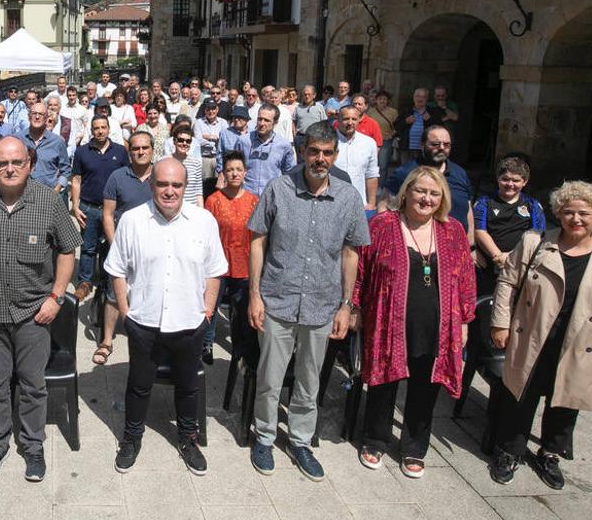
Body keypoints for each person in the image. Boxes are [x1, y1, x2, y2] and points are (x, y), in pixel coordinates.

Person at [489, 181, 592, 489]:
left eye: (584, 213)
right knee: (521, 394)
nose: (576, 219)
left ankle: (551, 453)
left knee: (567, 399)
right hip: (534, 334)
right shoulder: (535, 242)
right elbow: (508, 282)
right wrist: (500, 323)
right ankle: (510, 451)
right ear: (558, 214)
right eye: (568, 212)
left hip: (582, 342)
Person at [0, 137, 81, 482]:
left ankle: (33, 447)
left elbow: (68, 249)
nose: (9, 168)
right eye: (2, 163)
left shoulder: (49, 203)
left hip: (33, 314)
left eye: (17, 162)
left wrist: (56, 297)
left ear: (30, 165)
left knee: (33, 384)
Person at [247, 121, 370, 481]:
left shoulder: (348, 198)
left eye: (327, 153)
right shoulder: (279, 189)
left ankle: (300, 440)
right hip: (278, 300)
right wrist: (255, 295)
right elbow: (257, 242)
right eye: (314, 151)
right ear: (303, 152)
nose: (320, 159)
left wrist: (346, 306)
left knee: (310, 380)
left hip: (322, 303)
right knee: (270, 377)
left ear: (335, 155)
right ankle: (265, 437)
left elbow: (351, 254)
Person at [353, 166, 476, 478]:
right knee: (384, 381)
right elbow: (361, 268)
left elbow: (465, 279)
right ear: (406, 192)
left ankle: (414, 447)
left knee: (425, 387)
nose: (426, 198)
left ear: (443, 199)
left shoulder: (453, 231)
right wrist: (353, 306)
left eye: (434, 193)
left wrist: (463, 322)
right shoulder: (382, 224)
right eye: (420, 191)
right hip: (388, 320)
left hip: (436, 325)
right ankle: (376, 439)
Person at [105, 157, 226, 474]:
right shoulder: (132, 220)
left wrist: (207, 312)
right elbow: (116, 270)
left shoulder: (204, 221)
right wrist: (127, 312)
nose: (169, 191)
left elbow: (215, 271)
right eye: (162, 184)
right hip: (144, 322)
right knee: (139, 385)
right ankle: (131, 438)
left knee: (188, 386)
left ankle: (188, 439)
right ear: (151, 184)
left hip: (190, 322)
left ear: (186, 187)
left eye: (177, 185)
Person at [97, 131, 156, 365]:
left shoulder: (160, 175)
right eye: (135, 149)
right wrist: (115, 246)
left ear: (152, 150)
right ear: (129, 151)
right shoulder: (117, 176)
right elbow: (108, 214)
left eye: (144, 148)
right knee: (114, 294)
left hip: (154, 247)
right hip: (124, 247)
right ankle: (107, 340)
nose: (140, 152)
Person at [204, 151, 259, 366]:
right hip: (218, 263)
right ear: (223, 173)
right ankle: (206, 344)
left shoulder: (254, 201)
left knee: (242, 309)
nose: (234, 174)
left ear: (245, 172)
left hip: (244, 263)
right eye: (230, 170)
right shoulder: (213, 200)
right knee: (211, 305)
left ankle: (241, 348)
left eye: (238, 169)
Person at [71, 115, 130, 302]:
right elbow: (76, 180)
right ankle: (85, 282)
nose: (100, 131)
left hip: (113, 210)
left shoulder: (120, 151)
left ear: (108, 128)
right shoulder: (82, 152)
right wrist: (76, 206)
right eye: (96, 128)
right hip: (89, 208)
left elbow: (126, 177)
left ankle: (106, 280)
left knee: (110, 247)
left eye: (103, 127)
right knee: (88, 248)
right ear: (92, 130)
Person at [473, 155, 545, 294]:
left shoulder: (532, 205)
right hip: (488, 265)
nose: (510, 184)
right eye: (505, 179)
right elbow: (479, 231)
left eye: (516, 180)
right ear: (498, 179)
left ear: (524, 181)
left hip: (520, 265)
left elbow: (537, 236)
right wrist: (498, 257)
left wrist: (512, 257)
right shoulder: (484, 202)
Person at [384, 125, 472, 233]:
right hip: (417, 244)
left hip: (457, 243)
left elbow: (468, 211)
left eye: (446, 144)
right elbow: (385, 204)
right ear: (422, 144)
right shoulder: (405, 173)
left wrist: (471, 244)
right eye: (435, 144)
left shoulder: (460, 174)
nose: (441, 148)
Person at [239, 104, 296, 196]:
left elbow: (290, 172)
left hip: (272, 196)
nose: (262, 123)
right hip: (247, 195)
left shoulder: (283, 145)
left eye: (266, 120)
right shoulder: (243, 141)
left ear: (275, 122)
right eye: (260, 119)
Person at [335, 105, 380, 212]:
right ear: (338, 119)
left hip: (358, 205)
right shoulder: (328, 141)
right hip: (332, 204)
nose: (350, 122)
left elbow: (371, 175)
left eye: (354, 119)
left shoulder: (369, 143)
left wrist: (371, 204)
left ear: (359, 120)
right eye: (346, 119)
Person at [19, 101, 70, 194]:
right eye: (34, 113)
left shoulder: (57, 142)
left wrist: (57, 189)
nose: (37, 117)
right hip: (22, 194)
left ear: (46, 118)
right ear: (28, 116)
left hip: (49, 194)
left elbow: (66, 170)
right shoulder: (17, 139)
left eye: (41, 114)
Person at [399, 88, 445, 162]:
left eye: (423, 97)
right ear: (414, 98)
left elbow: (439, 128)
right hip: (407, 148)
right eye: (418, 96)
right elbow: (396, 127)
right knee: (406, 171)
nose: (420, 99)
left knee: (423, 171)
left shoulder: (433, 111)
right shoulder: (406, 110)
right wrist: (406, 122)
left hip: (425, 148)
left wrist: (430, 120)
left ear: (427, 99)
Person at [168, 122, 204, 207]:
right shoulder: (165, 162)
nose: (184, 143)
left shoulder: (196, 163)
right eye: (180, 140)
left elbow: (198, 192)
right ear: (174, 141)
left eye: (188, 141)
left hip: (191, 210)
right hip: (172, 209)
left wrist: (201, 212)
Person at [372, 89, 400, 186]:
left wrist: (392, 135)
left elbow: (398, 126)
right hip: (373, 142)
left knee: (383, 166)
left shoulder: (393, 112)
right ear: (376, 100)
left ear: (388, 101)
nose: (382, 101)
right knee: (372, 165)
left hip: (385, 141)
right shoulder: (371, 112)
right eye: (380, 99)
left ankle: (381, 186)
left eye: (384, 99)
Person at [293, 85, 328, 152]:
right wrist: (295, 134)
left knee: (313, 158)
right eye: (305, 94)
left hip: (315, 137)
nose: (307, 96)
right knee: (300, 160)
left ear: (314, 95)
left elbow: (324, 122)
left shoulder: (319, 107)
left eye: (309, 94)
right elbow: (294, 121)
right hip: (301, 138)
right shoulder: (298, 107)